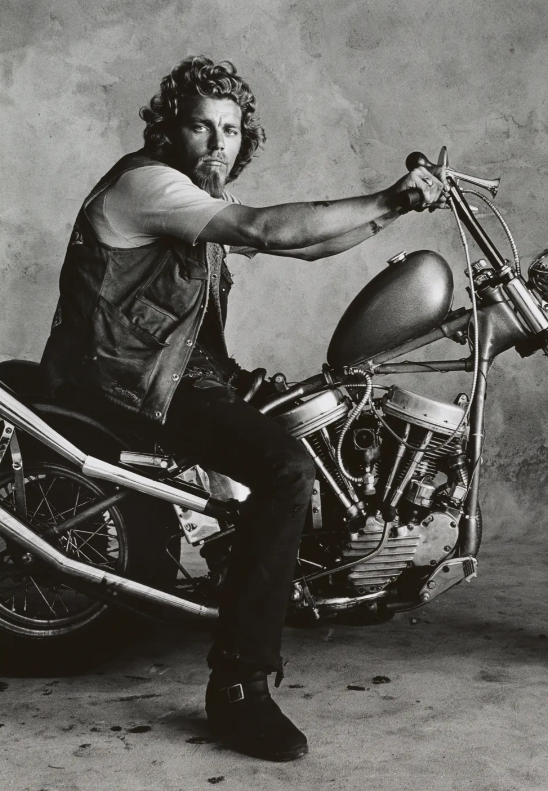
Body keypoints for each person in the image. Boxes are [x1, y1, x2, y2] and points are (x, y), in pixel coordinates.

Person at [40, 55, 447, 762]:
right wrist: (387, 198)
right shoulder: (149, 185)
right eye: (201, 125)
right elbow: (266, 229)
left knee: (324, 414)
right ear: (171, 129)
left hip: (187, 375)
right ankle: (238, 686)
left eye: (229, 129)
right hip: (129, 382)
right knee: (286, 470)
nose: (217, 143)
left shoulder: (187, 200)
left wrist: (397, 211)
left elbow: (310, 248)